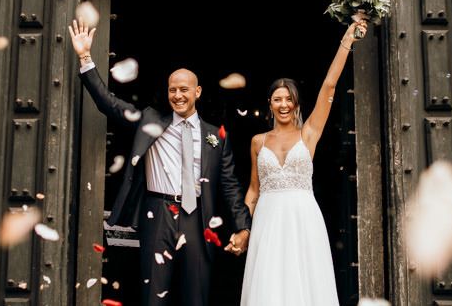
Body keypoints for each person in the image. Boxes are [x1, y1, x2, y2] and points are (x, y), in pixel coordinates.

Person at [69, 18, 252, 306]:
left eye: (183, 90)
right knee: (154, 293)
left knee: (197, 295)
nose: (177, 95)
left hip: (198, 216)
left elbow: (230, 185)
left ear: (197, 92)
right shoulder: (151, 120)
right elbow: (109, 104)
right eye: (172, 90)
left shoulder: (215, 135)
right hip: (158, 212)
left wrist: (243, 227)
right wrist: (85, 57)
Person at [240, 20, 367, 306]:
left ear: (296, 103)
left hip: (303, 218)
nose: (283, 104)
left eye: (289, 99)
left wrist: (347, 40)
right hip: (268, 221)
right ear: (270, 103)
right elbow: (253, 192)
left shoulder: (308, 134)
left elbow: (329, 86)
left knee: (305, 286)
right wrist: (243, 228)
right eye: (277, 99)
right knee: (269, 287)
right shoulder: (258, 142)